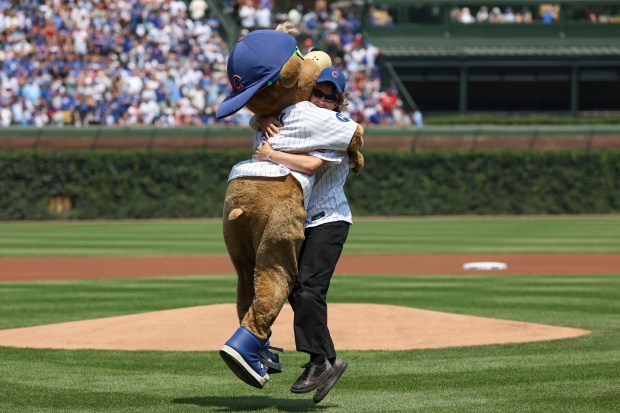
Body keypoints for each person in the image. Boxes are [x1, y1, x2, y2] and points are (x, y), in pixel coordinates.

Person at [254, 66, 352, 403]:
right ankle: (329, 359)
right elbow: (264, 115)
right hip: (302, 221)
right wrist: (260, 120)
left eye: (331, 97)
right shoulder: (302, 119)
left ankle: (316, 362)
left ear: (339, 103)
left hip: (330, 220)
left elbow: (311, 165)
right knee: (296, 288)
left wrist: (272, 154)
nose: (323, 101)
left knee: (311, 288)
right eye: (318, 93)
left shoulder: (333, 129)